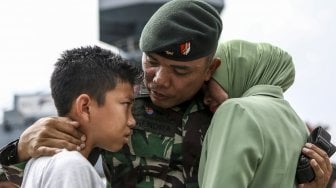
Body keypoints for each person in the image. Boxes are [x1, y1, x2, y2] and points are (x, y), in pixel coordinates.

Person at [0, 0, 331, 187]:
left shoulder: (230, 109)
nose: (160, 80)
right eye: (152, 62)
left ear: (209, 69)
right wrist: (17, 150)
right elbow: (31, 174)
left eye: (181, 71)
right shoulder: (118, 101)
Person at [198, 40, 333, 188]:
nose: (205, 99)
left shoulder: (237, 110)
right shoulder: (301, 130)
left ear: (236, 71)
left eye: (208, 83)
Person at [20, 46, 141, 187]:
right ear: (85, 107)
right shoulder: (71, 166)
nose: (132, 121)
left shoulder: (38, 163)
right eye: (126, 104)